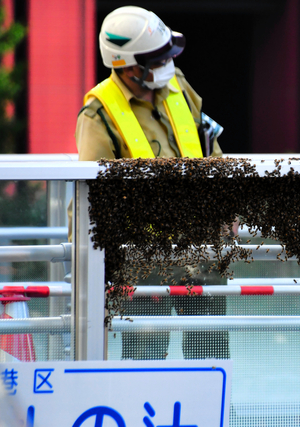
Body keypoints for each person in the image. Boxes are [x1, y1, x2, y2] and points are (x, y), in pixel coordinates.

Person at [75, 5, 228, 360]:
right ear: (126, 66)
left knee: (211, 354)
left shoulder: (179, 87)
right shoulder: (98, 114)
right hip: (142, 264)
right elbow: (89, 197)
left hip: (200, 254)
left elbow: (212, 151)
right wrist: (89, 267)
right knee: (145, 358)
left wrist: (227, 204)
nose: (167, 65)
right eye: (157, 59)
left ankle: (209, 415)